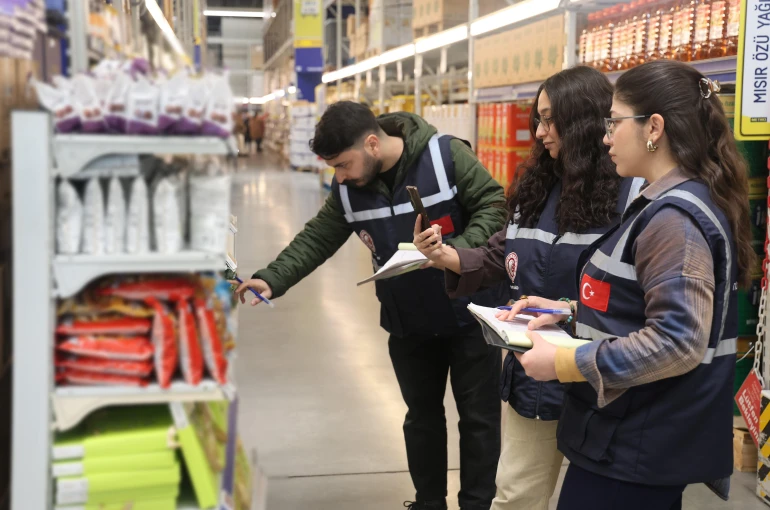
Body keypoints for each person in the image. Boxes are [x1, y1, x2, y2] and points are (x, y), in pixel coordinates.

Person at [234, 101, 508, 510]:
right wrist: (273, 279)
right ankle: (429, 502)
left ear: (373, 143)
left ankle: (477, 504)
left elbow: (494, 206)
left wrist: (455, 253)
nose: (339, 176)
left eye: (343, 164)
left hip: (470, 312)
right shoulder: (347, 190)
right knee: (421, 418)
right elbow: (318, 237)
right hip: (408, 320)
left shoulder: (446, 155)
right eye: (333, 168)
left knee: (480, 419)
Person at [504, 60, 753, 509]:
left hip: (639, 443)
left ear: (653, 127)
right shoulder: (664, 203)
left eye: (615, 123)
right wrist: (570, 312)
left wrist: (566, 362)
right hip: (630, 438)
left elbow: (678, 342)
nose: (606, 137)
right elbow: (644, 304)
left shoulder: (674, 218)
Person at [413, 66, 645, 510]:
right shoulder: (537, 188)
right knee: (516, 495)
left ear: (582, 120)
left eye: (548, 119)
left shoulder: (634, 193)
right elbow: (504, 253)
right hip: (535, 375)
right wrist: (446, 256)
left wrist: (569, 310)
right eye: (537, 119)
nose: (539, 133)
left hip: (604, 379)